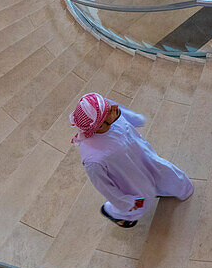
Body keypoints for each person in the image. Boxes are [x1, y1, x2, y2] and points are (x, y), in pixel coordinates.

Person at [70, 93, 194, 228]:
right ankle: (113, 212)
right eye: (109, 111)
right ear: (99, 126)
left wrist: (136, 119)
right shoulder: (94, 159)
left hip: (145, 157)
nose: (115, 107)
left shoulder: (108, 113)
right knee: (141, 202)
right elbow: (105, 186)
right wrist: (125, 202)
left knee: (166, 173)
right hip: (132, 179)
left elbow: (119, 110)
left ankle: (181, 189)